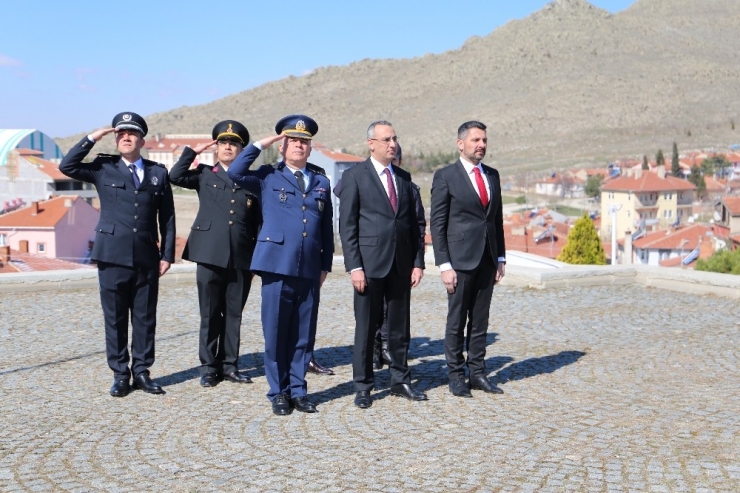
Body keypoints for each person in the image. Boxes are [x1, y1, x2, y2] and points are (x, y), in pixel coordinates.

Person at [59, 112, 175, 397]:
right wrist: (92, 137)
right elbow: (67, 165)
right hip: (112, 255)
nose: (126, 137)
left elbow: (168, 217)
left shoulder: (158, 172)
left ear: (141, 140)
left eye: (132, 134)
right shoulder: (103, 167)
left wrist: (168, 255)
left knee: (145, 317)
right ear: (115, 138)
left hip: (147, 256)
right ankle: (120, 374)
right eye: (121, 134)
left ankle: (143, 371)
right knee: (115, 318)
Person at [227, 115, 334, 416]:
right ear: (282, 146)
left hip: (310, 267)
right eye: (293, 141)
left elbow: (326, 227)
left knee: (303, 334)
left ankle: (299, 391)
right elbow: (235, 172)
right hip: (276, 265)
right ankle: (279, 392)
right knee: (275, 333)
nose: (299, 145)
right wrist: (261, 144)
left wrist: (325, 264)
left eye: (304, 142)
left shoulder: (321, 180)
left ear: (310, 148)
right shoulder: (266, 176)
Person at [338, 120, 426, 409]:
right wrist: (355, 267)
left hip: (400, 266)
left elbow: (413, 225)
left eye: (395, 138)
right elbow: (347, 226)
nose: (392, 144)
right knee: (366, 328)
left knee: (399, 328)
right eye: (386, 139)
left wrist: (417, 262)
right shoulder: (354, 177)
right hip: (369, 266)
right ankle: (363, 386)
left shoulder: (403, 177)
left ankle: (400, 379)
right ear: (371, 144)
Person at [169, 120, 261, 387]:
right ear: (216, 148)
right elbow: (175, 176)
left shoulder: (252, 180)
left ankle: (230, 365)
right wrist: (192, 153)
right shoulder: (204, 174)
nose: (228, 147)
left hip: (242, 255)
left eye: (233, 144)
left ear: (242, 150)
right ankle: (209, 367)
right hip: (209, 253)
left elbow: (258, 221)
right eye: (223, 143)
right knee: (210, 313)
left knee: (234, 314)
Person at [430, 120, 506, 398]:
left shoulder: (493, 175)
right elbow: (437, 224)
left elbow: (496, 219)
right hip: (459, 261)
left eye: (484, 140)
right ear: (461, 144)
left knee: (480, 320)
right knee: (457, 319)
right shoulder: (445, 176)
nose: (481, 145)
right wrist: (444, 265)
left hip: (487, 259)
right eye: (476, 140)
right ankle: (456, 374)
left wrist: (500, 257)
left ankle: (478, 372)